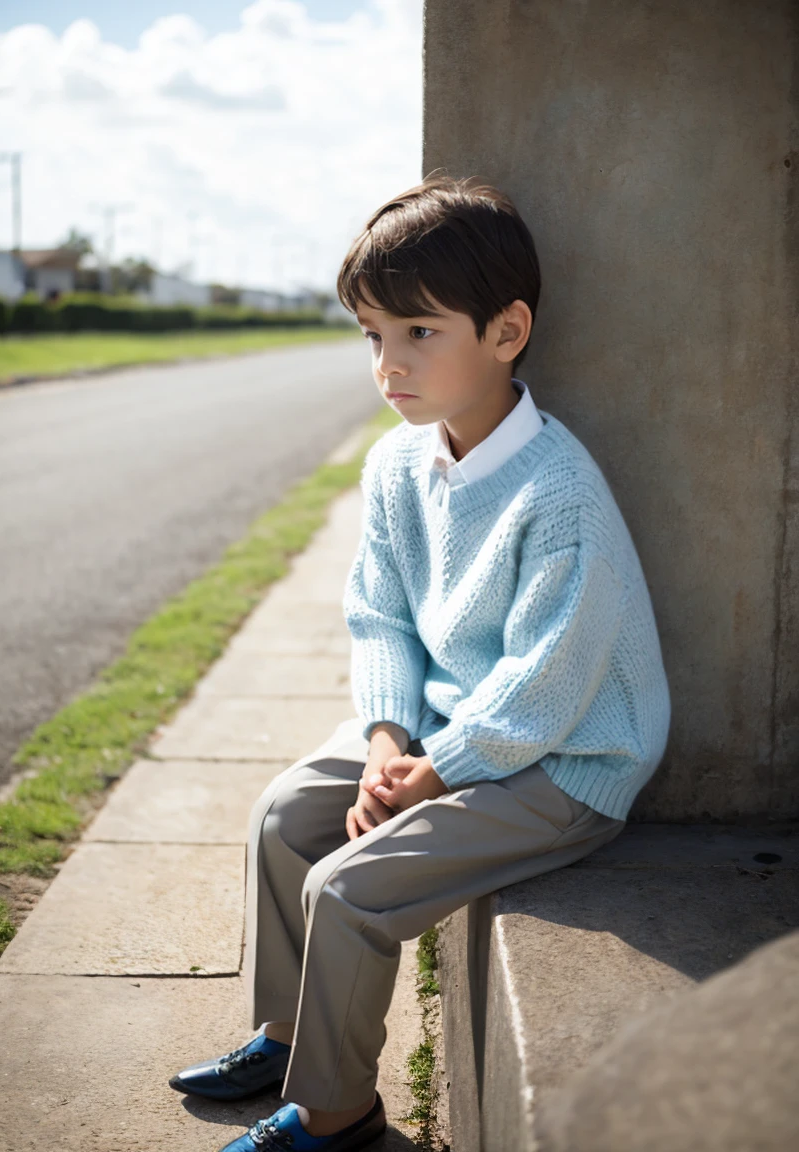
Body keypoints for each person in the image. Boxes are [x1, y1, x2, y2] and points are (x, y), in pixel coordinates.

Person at [169, 174, 672, 1152]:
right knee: (283, 818)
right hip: (441, 730)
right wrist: (386, 742)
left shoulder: (559, 493)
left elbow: (552, 683)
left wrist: (430, 775)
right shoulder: (397, 463)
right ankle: (285, 1038)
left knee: (348, 890)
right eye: (372, 336)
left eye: (419, 333)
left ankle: (338, 1114)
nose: (387, 364)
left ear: (507, 333)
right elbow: (381, 616)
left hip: (564, 763)